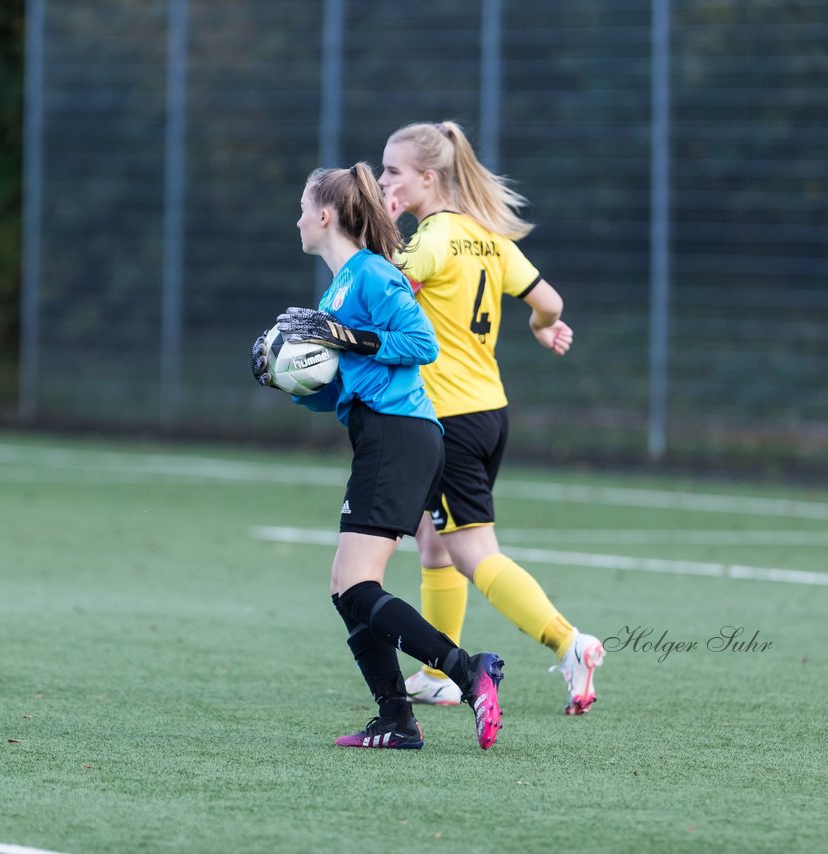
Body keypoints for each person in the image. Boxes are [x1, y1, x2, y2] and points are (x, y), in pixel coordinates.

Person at [249, 162, 505, 750]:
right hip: (379, 431)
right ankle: (396, 718)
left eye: (301, 208)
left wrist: (342, 338)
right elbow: (343, 391)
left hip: (402, 434)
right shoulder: (336, 290)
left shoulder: (372, 274)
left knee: (358, 585)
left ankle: (469, 673)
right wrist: (290, 382)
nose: (296, 220)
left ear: (325, 215)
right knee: (346, 587)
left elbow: (421, 344)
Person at [377, 121, 605, 715]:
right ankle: (438, 673)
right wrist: (540, 328)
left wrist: (384, 230)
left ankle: (569, 642)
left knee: (475, 552)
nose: (383, 182)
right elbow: (549, 303)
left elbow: (381, 293)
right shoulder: (487, 238)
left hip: (448, 419)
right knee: (433, 544)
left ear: (428, 178)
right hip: (489, 413)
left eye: (392, 172)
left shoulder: (431, 239)